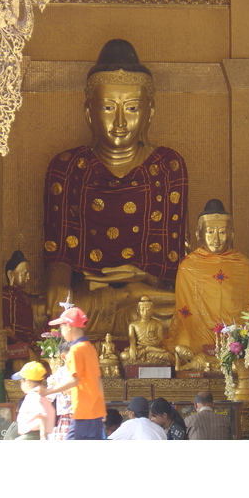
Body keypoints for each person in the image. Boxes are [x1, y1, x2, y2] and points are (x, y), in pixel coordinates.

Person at [43, 38, 188, 325]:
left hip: (148, 293)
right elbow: (58, 250)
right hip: (89, 294)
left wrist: (143, 274)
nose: (120, 122)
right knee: (51, 311)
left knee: (180, 306)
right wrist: (57, 284)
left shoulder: (168, 166)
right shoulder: (67, 167)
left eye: (132, 108)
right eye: (108, 108)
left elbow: (172, 263)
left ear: (150, 114)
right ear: (88, 113)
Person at [165, 199, 249, 357]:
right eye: (210, 232)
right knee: (183, 346)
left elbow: (245, 306)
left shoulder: (242, 264)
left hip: (232, 336)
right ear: (199, 234)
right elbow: (184, 310)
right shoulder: (189, 265)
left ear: (231, 233)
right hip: (197, 336)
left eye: (222, 232)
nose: (216, 239)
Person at [37, 306, 106, 440]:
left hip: (83, 410)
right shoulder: (90, 348)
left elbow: (74, 380)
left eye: (61, 327)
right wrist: (102, 406)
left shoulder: (75, 350)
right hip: (96, 410)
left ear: (69, 326)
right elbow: (98, 380)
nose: (61, 332)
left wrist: (47, 391)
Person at [120, 295, 172, 364]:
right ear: (138, 310)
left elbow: (159, 341)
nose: (145, 313)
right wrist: (133, 348)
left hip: (153, 349)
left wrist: (151, 342)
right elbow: (132, 340)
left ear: (152, 311)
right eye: (142, 310)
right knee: (124, 355)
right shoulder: (133, 325)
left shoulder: (157, 324)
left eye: (148, 310)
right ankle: (146, 353)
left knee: (167, 356)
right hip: (139, 349)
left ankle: (145, 353)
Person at [12, 361, 56, 440]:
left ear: (27, 382)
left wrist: (43, 436)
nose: (20, 385)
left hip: (32, 435)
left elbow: (42, 415)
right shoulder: (42, 396)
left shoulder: (33, 396)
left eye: (21, 382)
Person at [45, 341, 73, 440]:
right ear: (63, 356)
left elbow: (75, 393)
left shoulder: (81, 372)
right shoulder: (60, 373)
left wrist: (56, 384)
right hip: (65, 416)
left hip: (80, 415)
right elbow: (49, 397)